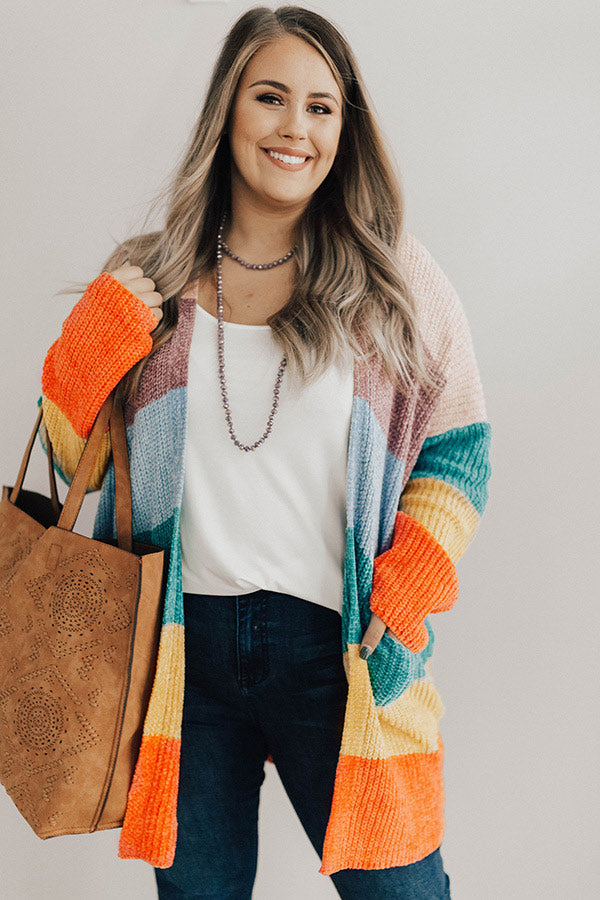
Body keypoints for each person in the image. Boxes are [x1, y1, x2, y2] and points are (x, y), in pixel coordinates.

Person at [37, 6, 492, 898]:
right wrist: (85, 356)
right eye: (272, 97)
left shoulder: (391, 276)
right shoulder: (153, 277)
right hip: (182, 658)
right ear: (228, 111)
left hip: (340, 653)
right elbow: (65, 467)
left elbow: (461, 447)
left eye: (322, 108)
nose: (296, 128)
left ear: (344, 130)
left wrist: (403, 593)